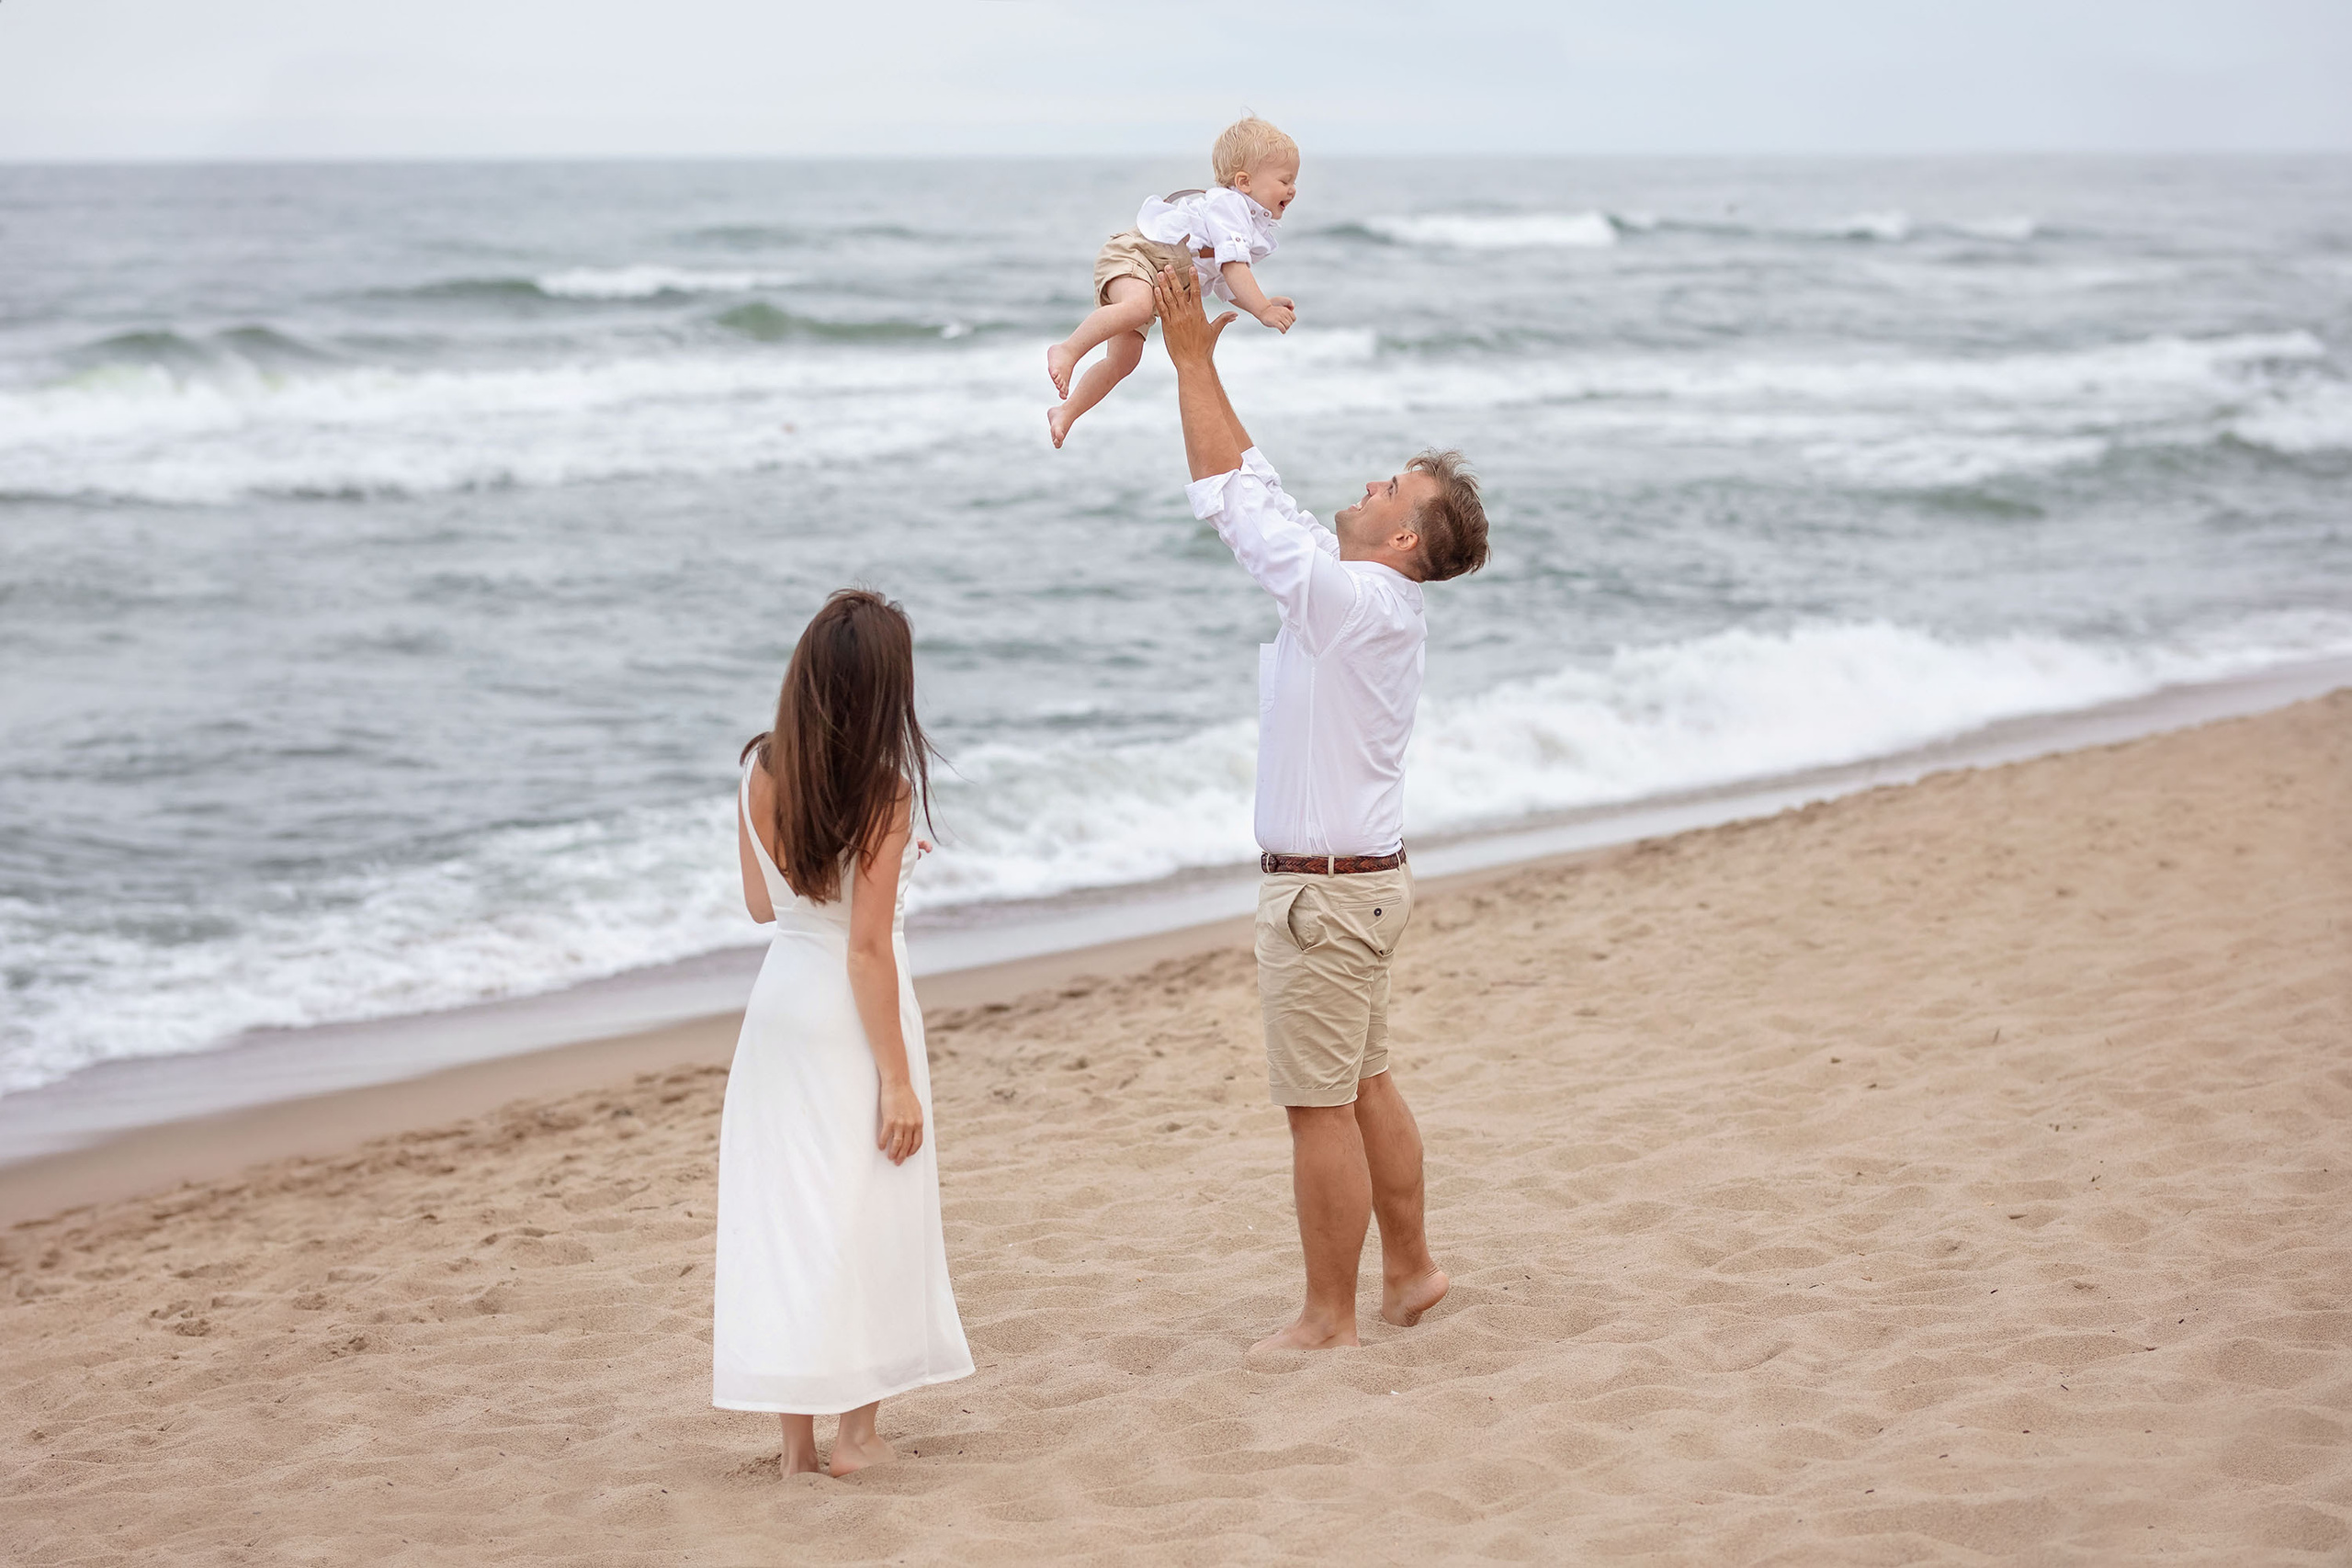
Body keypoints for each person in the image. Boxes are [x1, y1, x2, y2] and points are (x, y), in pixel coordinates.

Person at [1149, 261, 1488, 1352]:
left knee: (1319, 1105)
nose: (1371, 486)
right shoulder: (1364, 601)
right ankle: (1414, 1274)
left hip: (1326, 903)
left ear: (1402, 541)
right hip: (1360, 886)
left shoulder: (1353, 603)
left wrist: (1191, 360)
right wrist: (1194, 365)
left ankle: (1327, 1318)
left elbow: (1233, 510)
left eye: (1392, 489)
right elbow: (1258, 488)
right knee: (1366, 1080)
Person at [712, 589, 973, 1475]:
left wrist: (881, 871)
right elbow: (865, 951)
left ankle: (795, 1450)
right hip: (848, 1016)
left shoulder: (759, 769)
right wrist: (896, 1080)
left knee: (789, 1219)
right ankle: (857, 1438)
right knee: (863, 1211)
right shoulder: (885, 792)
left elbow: (763, 904)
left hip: (778, 1011)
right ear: (881, 692)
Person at [1045, 117, 1300, 448]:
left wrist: (1260, 304)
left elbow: (1225, 282)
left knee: (1124, 361)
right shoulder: (1229, 205)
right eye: (1285, 180)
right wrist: (1263, 308)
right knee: (1137, 308)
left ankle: (1066, 412)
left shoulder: (1244, 226)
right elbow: (1236, 268)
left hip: (1154, 276)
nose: (1293, 189)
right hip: (1138, 256)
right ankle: (1068, 350)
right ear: (1244, 181)